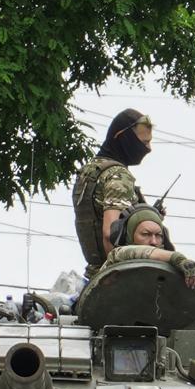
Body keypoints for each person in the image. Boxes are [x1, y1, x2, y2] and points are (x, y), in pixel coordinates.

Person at [72, 109, 151, 276]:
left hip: (94, 274)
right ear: (125, 138)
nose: (148, 149)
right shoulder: (118, 175)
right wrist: (120, 278)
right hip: (114, 279)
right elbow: (110, 234)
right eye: (144, 143)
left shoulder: (89, 171)